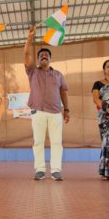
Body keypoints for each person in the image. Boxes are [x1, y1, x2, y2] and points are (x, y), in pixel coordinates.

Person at [24, 26, 70, 181]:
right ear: (38, 59)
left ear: (50, 59)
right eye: (41, 55)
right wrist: (30, 38)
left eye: (46, 55)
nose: (44, 57)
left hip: (56, 113)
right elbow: (25, 54)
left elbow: (63, 92)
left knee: (57, 142)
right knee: (38, 142)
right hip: (38, 111)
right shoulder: (33, 72)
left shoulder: (58, 75)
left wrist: (67, 110)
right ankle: (40, 169)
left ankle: (56, 170)